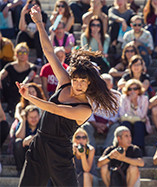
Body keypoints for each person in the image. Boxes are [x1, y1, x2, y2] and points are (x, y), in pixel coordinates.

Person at [16, 5, 118, 186]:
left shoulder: (85, 109)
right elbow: (49, 52)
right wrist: (39, 22)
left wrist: (29, 97)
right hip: (39, 146)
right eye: (76, 79)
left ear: (89, 83)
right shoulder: (64, 81)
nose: (78, 84)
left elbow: (54, 109)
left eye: (83, 81)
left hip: (60, 152)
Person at [82, 73, 120, 148]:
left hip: (109, 123)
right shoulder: (91, 94)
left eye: (106, 84)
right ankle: (91, 148)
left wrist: (107, 125)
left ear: (111, 85)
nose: (103, 87)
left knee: (116, 127)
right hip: (94, 123)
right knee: (85, 126)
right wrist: (96, 124)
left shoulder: (117, 95)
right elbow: (89, 111)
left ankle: (107, 149)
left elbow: (117, 114)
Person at [0, 42, 36, 117]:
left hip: (26, 91)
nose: (22, 54)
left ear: (27, 54)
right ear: (16, 54)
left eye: (24, 52)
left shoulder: (32, 67)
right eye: (19, 52)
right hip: (11, 92)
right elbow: (1, 75)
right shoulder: (10, 66)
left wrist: (22, 85)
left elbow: (29, 77)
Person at [119, 79, 149, 151]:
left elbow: (142, 115)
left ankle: (138, 149)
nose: (132, 91)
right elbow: (121, 113)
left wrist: (135, 104)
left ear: (139, 90)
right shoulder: (123, 98)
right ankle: (125, 148)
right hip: (127, 121)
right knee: (126, 125)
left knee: (138, 125)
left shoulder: (144, 99)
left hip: (139, 123)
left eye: (135, 89)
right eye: (130, 89)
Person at [16, 0, 48, 64]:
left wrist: (37, 15)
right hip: (28, 40)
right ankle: (18, 54)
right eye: (31, 5)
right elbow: (22, 28)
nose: (33, 7)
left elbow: (40, 29)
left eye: (35, 5)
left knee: (37, 34)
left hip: (38, 41)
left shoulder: (43, 15)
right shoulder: (26, 15)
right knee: (21, 34)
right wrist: (22, 14)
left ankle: (39, 59)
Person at [13, 105, 40, 175]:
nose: (33, 119)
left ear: (39, 116)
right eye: (31, 117)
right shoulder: (23, 123)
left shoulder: (42, 124)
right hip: (25, 150)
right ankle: (20, 170)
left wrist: (32, 138)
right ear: (26, 117)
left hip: (38, 150)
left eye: (35, 117)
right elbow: (19, 136)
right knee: (18, 142)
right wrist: (23, 121)